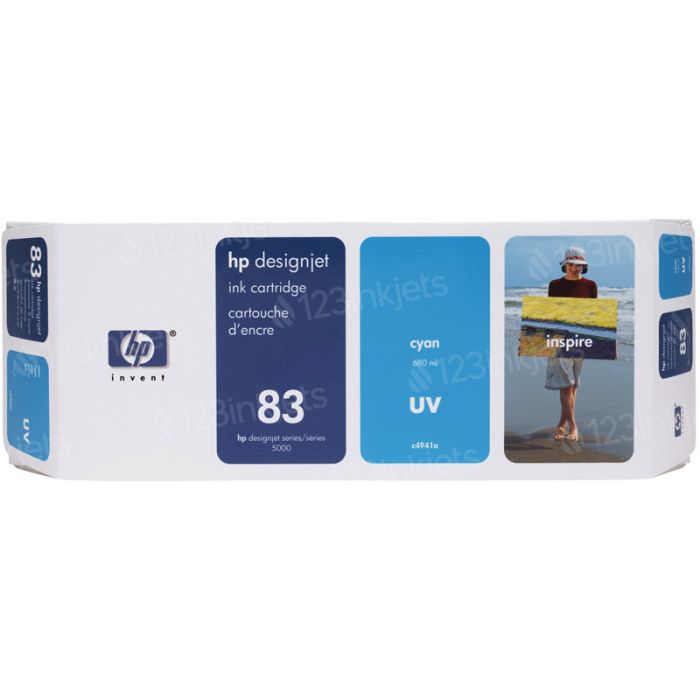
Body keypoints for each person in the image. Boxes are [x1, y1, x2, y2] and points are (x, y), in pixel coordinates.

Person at [545, 246, 597, 442]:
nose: (575, 268)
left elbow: (595, 315)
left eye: (579, 265)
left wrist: (607, 341)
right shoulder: (555, 285)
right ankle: (574, 426)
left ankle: (561, 423)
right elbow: (548, 314)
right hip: (559, 338)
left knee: (572, 385)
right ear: (565, 264)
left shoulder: (590, 285)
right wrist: (531, 338)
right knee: (566, 384)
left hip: (581, 339)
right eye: (572, 265)